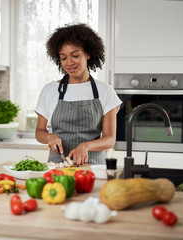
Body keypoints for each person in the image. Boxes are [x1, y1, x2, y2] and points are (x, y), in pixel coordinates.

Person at [35, 23, 122, 166]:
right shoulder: (50, 90)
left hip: (93, 168)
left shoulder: (105, 91)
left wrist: (85, 146)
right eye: (63, 58)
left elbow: (110, 139)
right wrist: (49, 137)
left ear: (88, 53)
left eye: (75, 55)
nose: (69, 62)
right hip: (58, 167)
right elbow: (39, 132)